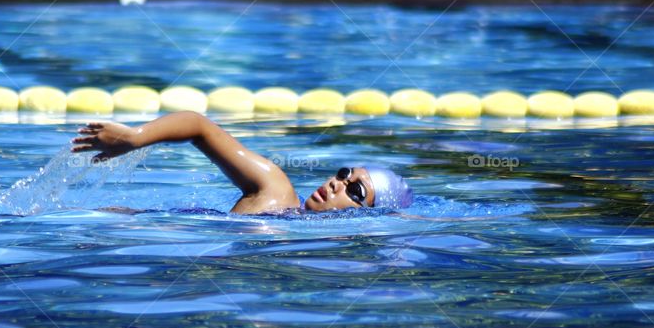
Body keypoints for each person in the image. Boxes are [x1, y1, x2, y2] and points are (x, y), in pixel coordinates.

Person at [71, 111, 413, 215]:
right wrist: (136, 137)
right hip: (118, 229)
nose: (338, 183)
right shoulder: (275, 192)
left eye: (355, 190)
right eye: (344, 174)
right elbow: (199, 127)